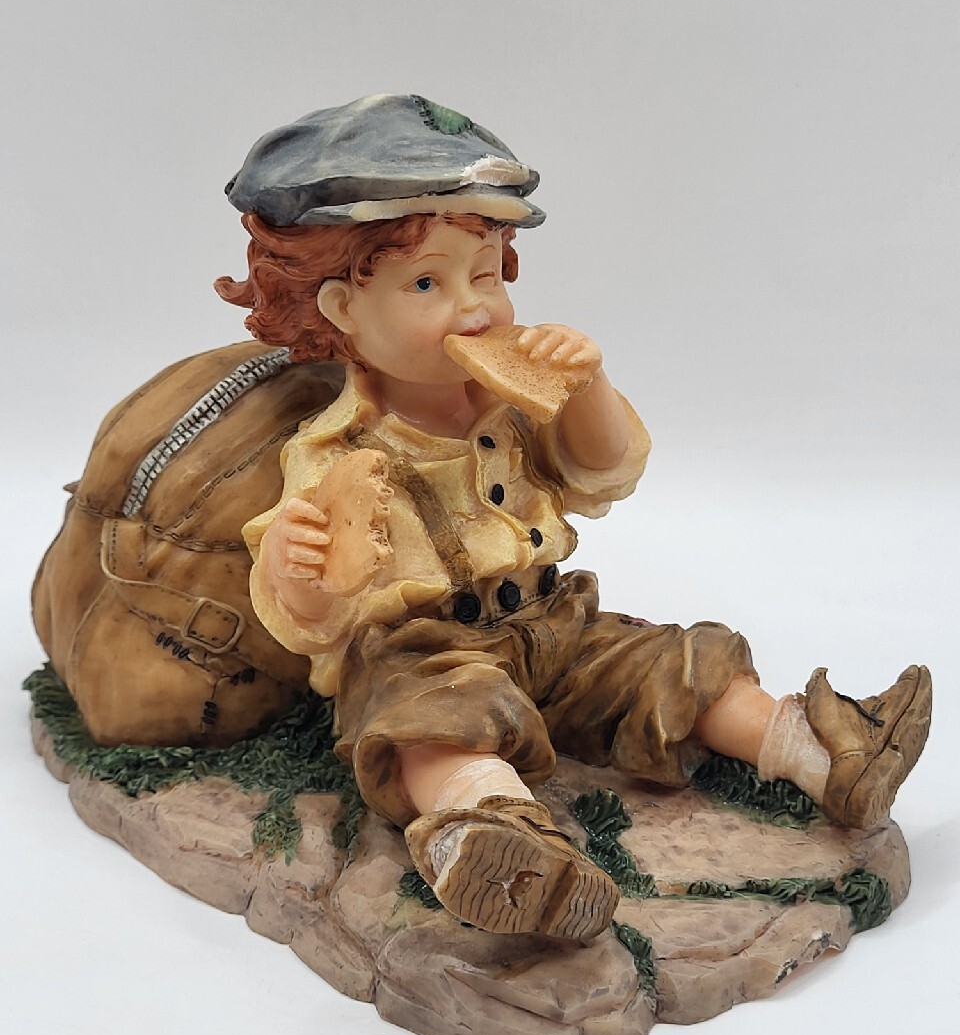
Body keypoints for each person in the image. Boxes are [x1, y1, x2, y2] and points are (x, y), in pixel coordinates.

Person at [216, 94, 932, 942]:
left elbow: (602, 472)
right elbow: (313, 616)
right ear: (342, 310)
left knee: (674, 665)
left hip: (554, 621)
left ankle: (823, 753)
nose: (474, 308)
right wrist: (295, 568)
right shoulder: (334, 451)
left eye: (486, 275)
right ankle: (488, 834)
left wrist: (585, 384)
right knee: (435, 728)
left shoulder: (514, 400)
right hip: (423, 652)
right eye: (427, 283)